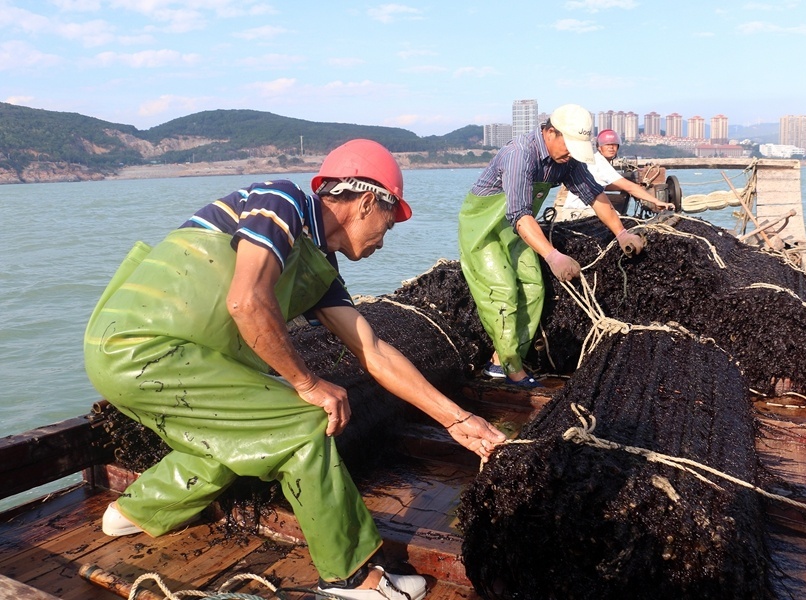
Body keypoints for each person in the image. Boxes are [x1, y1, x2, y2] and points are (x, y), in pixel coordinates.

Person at [83, 139, 507, 600]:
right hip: (144, 348)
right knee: (306, 423)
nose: (388, 235)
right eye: (391, 218)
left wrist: (456, 419)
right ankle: (349, 578)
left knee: (248, 432)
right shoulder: (282, 200)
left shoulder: (320, 267)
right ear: (368, 202)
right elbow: (248, 300)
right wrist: (308, 384)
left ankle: (134, 512)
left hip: (158, 358)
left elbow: (375, 351)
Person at [458, 104, 645, 387]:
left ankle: (500, 362)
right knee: (503, 291)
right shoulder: (519, 155)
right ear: (549, 132)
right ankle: (512, 369)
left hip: (517, 230)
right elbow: (520, 213)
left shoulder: (565, 161)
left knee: (534, 288)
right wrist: (553, 255)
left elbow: (594, 195)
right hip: (484, 230)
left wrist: (621, 233)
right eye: (568, 145)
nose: (570, 153)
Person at [562, 129, 675, 212]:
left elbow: (603, 185)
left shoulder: (595, 159)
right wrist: (657, 201)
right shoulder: (600, 163)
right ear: (599, 147)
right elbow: (629, 187)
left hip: (575, 208)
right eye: (607, 145)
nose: (611, 147)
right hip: (581, 210)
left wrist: (637, 188)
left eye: (614, 145)